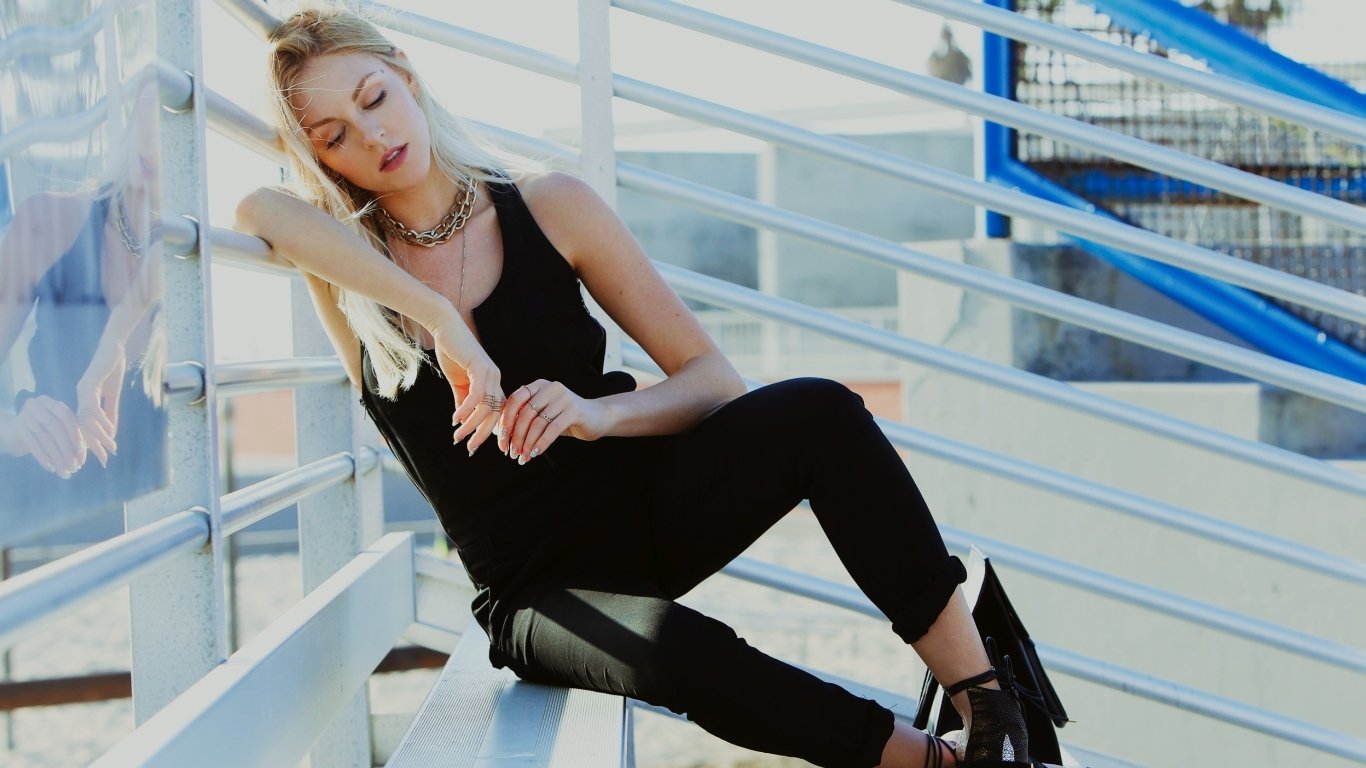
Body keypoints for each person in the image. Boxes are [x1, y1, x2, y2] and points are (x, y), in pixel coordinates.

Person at [235, 5, 1039, 767]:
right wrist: (440, 317)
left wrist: (594, 415)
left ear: (406, 74)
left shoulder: (552, 207)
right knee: (672, 651)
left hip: (647, 509)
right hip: (535, 595)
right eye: (335, 135)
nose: (372, 135)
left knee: (821, 412)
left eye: (375, 97)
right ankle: (929, 760)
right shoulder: (353, 279)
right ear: (318, 158)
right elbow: (256, 206)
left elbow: (712, 380)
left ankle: (990, 704)